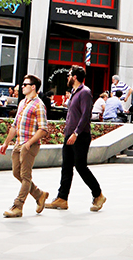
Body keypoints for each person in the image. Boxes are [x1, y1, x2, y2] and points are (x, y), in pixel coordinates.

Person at [45, 65, 105, 212]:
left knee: (80, 166)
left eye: (69, 75)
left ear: (75, 77)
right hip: (69, 135)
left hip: (80, 136)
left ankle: (98, 195)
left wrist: (76, 133)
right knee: (66, 167)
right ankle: (62, 198)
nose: (67, 77)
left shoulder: (85, 92)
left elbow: (86, 115)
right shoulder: (74, 92)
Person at [0, 74, 49, 217]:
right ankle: (39, 194)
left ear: (33, 87)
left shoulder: (39, 105)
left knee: (25, 176)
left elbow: (43, 129)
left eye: (25, 84)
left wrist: (29, 143)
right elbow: (15, 125)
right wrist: (6, 142)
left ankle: (18, 206)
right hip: (18, 143)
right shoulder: (22, 103)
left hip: (30, 145)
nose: (22, 86)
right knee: (16, 173)